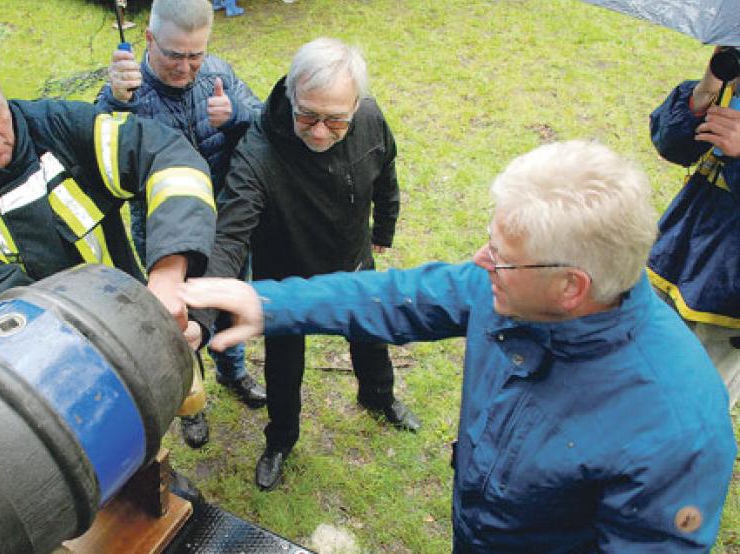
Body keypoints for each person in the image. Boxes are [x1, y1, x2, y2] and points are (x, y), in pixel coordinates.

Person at [182, 140, 737, 551]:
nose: (479, 262)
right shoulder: (512, 291)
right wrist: (272, 306)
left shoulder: (677, 431)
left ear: (572, 287)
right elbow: (400, 297)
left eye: (502, 256)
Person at [190, 37, 418, 491]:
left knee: (371, 338)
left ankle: (379, 397)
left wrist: (383, 229)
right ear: (291, 95)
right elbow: (230, 235)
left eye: (335, 121)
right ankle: (281, 439)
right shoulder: (258, 151)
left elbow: (386, 171)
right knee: (284, 364)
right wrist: (199, 313)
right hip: (286, 277)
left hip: (353, 262)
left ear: (357, 104)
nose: (318, 132)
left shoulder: (370, 120)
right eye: (307, 115)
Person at [0, 39, 215, 348]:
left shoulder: (59, 127)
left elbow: (172, 159)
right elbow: (5, 309)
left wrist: (168, 275)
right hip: (54, 359)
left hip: (137, 318)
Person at [95, 0, 265, 448]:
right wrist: (114, 99)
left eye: (196, 55)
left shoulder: (220, 74)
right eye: (175, 55)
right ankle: (193, 402)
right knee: (178, 320)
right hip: (166, 238)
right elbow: (100, 151)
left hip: (226, 227)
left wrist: (237, 119)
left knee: (229, 301)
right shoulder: (126, 92)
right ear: (149, 39)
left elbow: (267, 122)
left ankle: (235, 371)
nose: (186, 67)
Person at [647, 46, 740, 408]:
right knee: (631, 374)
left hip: (726, 302)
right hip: (675, 255)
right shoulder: (728, 87)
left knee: (690, 406)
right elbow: (672, 146)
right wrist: (703, 93)